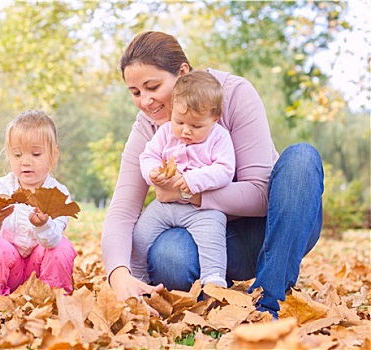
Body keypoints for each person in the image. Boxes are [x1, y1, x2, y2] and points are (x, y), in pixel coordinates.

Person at [101, 31, 324, 318]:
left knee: (302, 158)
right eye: (135, 92)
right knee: (169, 258)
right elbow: (122, 210)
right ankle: (216, 289)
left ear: (182, 72)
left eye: (152, 87)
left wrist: (191, 193)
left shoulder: (234, 94)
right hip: (211, 239)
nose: (145, 102)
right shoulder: (149, 126)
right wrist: (118, 274)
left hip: (273, 229)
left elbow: (260, 193)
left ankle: (270, 299)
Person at [131, 70, 235, 290]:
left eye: (196, 126)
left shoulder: (219, 137)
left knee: (212, 240)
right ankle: (138, 277)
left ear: (214, 118)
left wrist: (193, 179)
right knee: (140, 234)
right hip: (164, 205)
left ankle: (213, 282)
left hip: (202, 209)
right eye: (180, 122)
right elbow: (148, 155)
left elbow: (225, 169)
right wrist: (152, 172)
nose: (186, 131)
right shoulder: (166, 132)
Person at [0, 109, 78, 303]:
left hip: (39, 271)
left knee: (62, 247)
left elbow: (52, 241)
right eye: (17, 155)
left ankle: (53, 299)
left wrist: (43, 225)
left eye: (36, 154)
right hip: (8, 269)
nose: (25, 162)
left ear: (53, 155)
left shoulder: (58, 194)